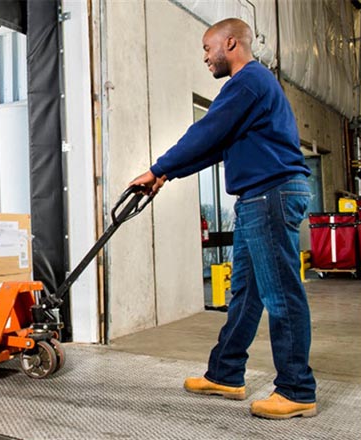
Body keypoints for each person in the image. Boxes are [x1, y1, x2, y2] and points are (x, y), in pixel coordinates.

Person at [130, 17, 317, 419]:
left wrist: (157, 167)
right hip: (259, 197)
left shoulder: (247, 82)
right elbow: (217, 147)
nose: (205, 57)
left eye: (207, 48)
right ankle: (226, 373)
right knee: (245, 293)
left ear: (230, 43)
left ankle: (297, 389)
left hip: (271, 194)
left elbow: (207, 132)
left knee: (281, 295)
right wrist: (165, 174)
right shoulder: (253, 87)